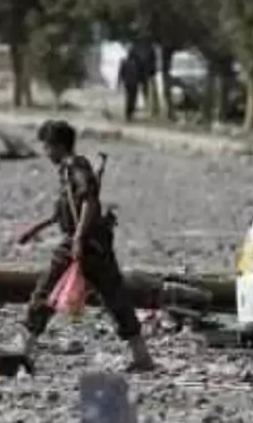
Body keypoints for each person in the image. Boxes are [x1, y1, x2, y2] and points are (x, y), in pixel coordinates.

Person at [15, 119, 154, 371]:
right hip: (97, 243)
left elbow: (89, 199)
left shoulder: (74, 166)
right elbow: (66, 210)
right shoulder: (71, 169)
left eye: (47, 147)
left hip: (81, 243)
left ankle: (22, 351)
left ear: (57, 146)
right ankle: (141, 356)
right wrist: (34, 229)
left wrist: (78, 238)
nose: (46, 153)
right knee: (114, 296)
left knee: (45, 292)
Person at [117, 49, 141, 123]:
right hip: (133, 83)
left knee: (129, 98)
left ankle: (129, 114)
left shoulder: (124, 61)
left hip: (128, 83)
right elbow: (140, 73)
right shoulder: (136, 62)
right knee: (133, 98)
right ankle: (130, 113)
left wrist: (119, 82)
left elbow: (121, 73)